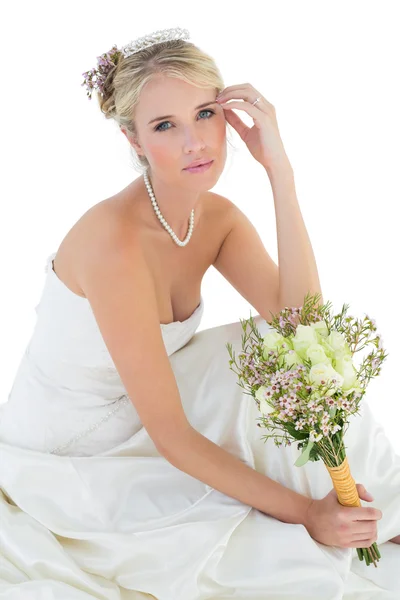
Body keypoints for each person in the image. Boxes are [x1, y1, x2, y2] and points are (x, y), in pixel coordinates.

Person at [0, 27, 399, 600]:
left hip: (152, 407)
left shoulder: (216, 219)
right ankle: (336, 514)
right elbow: (173, 438)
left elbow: (303, 330)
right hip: (75, 450)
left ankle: (381, 507)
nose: (196, 142)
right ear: (133, 139)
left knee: (279, 347)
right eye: (165, 126)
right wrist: (306, 514)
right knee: (245, 544)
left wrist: (279, 172)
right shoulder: (114, 245)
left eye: (206, 113)